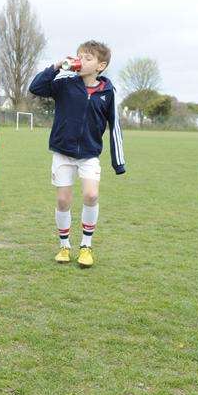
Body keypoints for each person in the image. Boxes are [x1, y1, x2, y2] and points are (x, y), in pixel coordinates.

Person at [28, 41, 125, 269]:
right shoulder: (65, 84)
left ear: (101, 66)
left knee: (91, 195)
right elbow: (36, 87)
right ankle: (64, 245)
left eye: (88, 58)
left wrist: (118, 162)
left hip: (90, 155)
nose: (81, 60)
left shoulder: (108, 92)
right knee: (63, 200)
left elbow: (115, 127)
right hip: (63, 153)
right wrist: (56, 67)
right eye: (80, 55)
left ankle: (86, 246)